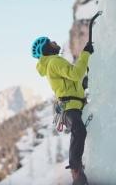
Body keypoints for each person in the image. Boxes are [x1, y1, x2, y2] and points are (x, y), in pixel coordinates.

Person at [32, 36, 93, 185]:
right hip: (70, 107)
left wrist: (83, 84)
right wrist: (85, 54)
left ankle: (77, 170)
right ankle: (75, 169)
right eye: (50, 42)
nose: (54, 42)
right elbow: (75, 73)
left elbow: (71, 81)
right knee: (79, 130)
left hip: (72, 107)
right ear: (46, 49)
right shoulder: (54, 61)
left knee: (79, 130)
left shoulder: (52, 64)